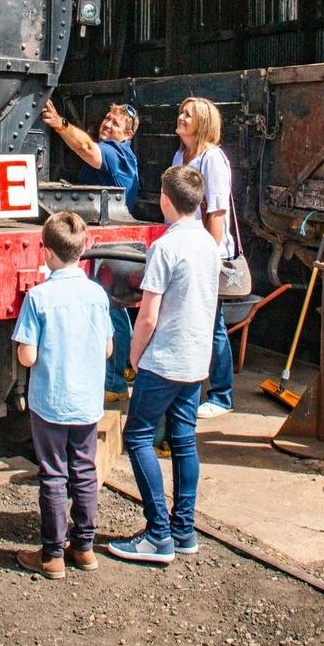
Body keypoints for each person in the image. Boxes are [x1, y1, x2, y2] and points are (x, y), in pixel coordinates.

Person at [107, 166, 220, 564]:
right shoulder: (209, 244)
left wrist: (134, 357)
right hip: (194, 359)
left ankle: (157, 534)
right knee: (184, 440)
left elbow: (148, 315)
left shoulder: (165, 247)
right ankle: (183, 530)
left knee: (138, 437)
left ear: (165, 200)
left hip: (163, 359)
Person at [12, 212, 114, 580]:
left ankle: (53, 555)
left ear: (47, 253)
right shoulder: (97, 294)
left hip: (51, 403)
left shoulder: (39, 297)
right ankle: (84, 548)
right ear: (83, 248)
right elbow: (106, 349)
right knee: (84, 472)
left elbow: (28, 356)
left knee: (54, 475)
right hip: (86, 403)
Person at [40, 99, 139, 403]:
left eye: (116, 123)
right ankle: (121, 372)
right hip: (105, 241)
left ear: (128, 135)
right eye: (107, 119)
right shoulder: (115, 152)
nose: (107, 125)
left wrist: (59, 123)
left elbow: (87, 149)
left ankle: (114, 383)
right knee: (115, 310)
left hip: (110, 243)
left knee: (113, 312)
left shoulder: (118, 153)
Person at [174, 97, 236, 419]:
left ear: (204, 123)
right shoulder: (180, 155)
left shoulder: (212, 159)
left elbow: (217, 211)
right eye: (182, 112)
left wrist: (209, 257)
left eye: (189, 114)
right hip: (184, 249)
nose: (181, 117)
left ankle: (223, 395)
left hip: (207, 252)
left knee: (213, 326)